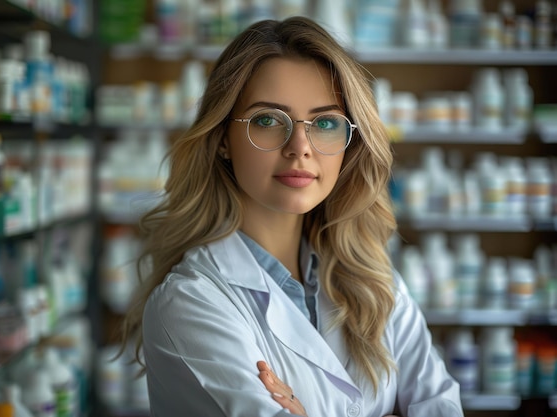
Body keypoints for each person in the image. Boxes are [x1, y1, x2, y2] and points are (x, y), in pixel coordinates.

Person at [120, 16, 464, 417]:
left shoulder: (375, 281)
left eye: (325, 123)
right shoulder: (191, 304)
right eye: (267, 120)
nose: (300, 146)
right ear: (222, 141)